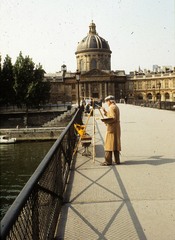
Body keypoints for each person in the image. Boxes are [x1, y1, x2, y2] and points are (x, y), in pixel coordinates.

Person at [100, 95, 121, 166]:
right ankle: (117, 160)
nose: (107, 103)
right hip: (116, 127)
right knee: (115, 143)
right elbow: (111, 115)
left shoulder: (111, 107)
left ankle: (108, 161)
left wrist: (104, 120)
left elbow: (113, 118)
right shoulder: (116, 106)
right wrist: (105, 111)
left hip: (111, 128)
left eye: (107, 102)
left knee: (109, 144)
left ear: (110, 101)